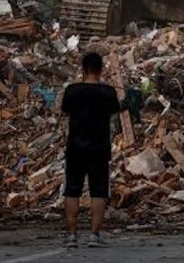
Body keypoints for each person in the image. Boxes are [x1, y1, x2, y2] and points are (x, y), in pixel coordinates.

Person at [60, 51, 126, 248]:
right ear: (101, 69)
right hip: (99, 147)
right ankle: (94, 236)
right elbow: (116, 111)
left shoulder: (72, 90)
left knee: (72, 190)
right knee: (98, 191)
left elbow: (65, 111)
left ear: (83, 69)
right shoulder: (108, 92)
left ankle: (72, 236)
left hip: (75, 147)